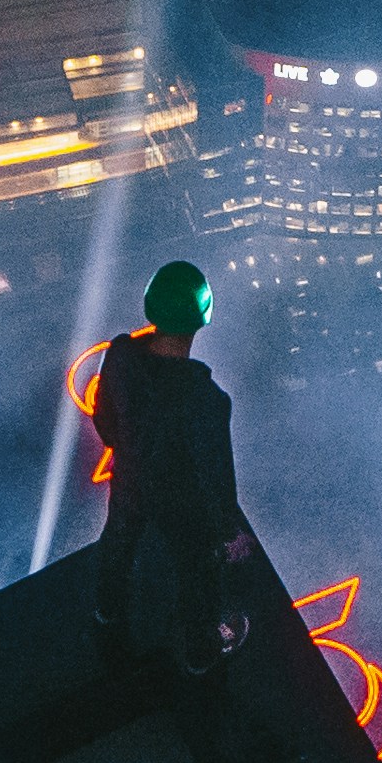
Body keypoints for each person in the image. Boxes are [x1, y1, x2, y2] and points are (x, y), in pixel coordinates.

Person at [90, 258, 246, 675]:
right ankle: (201, 653)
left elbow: (104, 422)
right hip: (180, 508)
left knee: (118, 545)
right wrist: (229, 532)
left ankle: (107, 612)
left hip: (129, 485)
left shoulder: (119, 356)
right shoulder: (208, 402)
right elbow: (216, 482)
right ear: (203, 316)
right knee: (197, 574)